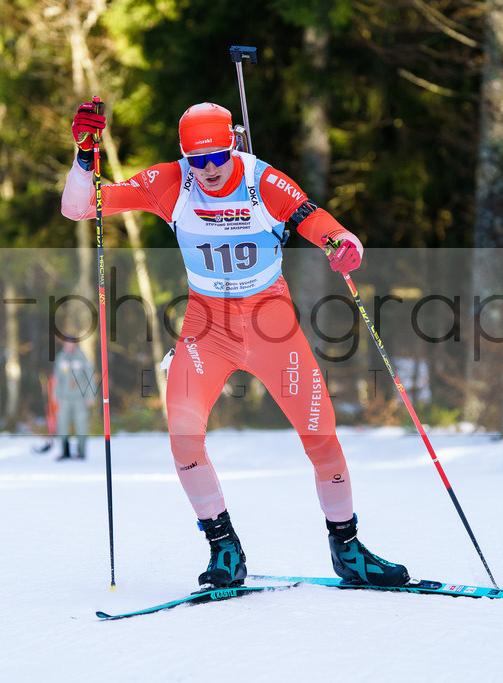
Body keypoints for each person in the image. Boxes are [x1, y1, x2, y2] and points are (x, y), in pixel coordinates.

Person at [61, 100, 409, 588]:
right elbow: (79, 207)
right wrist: (83, 156)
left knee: (322, 440)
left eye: (216, 158)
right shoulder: (170, 182)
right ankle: (225, 549)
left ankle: (349, 550)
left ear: (234, 145)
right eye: (195, 160)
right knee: (183, 439)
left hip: (272, 328)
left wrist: (341, 241)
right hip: (207, 328)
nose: (206, 170)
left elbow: (313, 218)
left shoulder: (262, 180)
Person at [52, 338, 95, 460]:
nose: (69, 347)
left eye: (71, 344)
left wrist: (90, 396)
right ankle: (65, 452)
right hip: (64, 398)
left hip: (80, 398)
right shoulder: (61, 358)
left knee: (81, 425)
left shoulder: (82, 358)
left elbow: (90, 377)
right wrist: (55, 396)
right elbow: (56, 378)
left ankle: (81, 452)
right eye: (67, 344)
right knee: (62, 424)